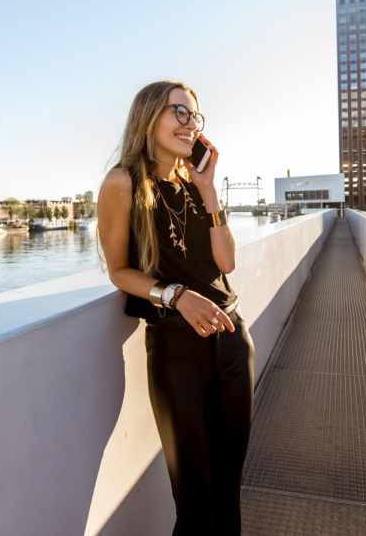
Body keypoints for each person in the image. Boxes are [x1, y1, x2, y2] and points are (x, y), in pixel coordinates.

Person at [97, 80, 254, 535]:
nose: (190, 124)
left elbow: (226, 263)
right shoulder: (122, 182)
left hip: (231, 342)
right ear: (149, 117)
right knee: (194, 500)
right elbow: (119, 271)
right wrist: (176, 296)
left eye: (195, 116)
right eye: (179, 113)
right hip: (176, 350)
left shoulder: (192, 185)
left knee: (227, 494)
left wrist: (208, 189)